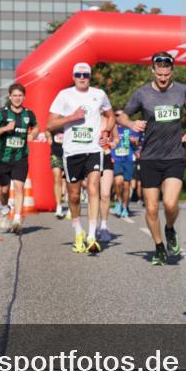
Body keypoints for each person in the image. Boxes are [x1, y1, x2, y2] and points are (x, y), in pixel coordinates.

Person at [119, 52, 186, 266]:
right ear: (153, 71)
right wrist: (130, 124)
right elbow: (123, 115)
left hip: (174, 155)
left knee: (170, 204)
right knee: (151, 208)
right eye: (159, 73)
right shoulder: (142, 94)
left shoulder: (182, 90)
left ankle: (170, 229)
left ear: (172, 71)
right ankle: (159, 247)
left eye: (166, 73)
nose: (163, 78)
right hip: (150, 157)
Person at [47, 62, 114, 254]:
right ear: (73, 76)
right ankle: (78, 231)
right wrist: (71, 117)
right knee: (74, 195)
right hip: (71, 151)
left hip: (93, 149)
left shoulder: (99, 94)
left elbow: (111, 115)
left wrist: (107, 131)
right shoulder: (64, 95)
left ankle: (92, 235)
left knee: (94, 188)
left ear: (90, 77)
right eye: (78, 75)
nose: (82, 78)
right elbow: (50, 123)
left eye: (86, 75)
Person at [0, 83, 39, 235]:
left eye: (20, 96)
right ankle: (5, 209)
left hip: (21, 156)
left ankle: (17, 219)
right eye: (14, 96)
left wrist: (33, 134)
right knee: (4, 190)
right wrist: (5, 128)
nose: (17, 98)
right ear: (10, 97)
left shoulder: (28, 114)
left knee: (18, 187)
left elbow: (36, 127)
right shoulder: (2, 113)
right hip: (3, 157)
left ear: (24, 97)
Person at [111, 120, 139, 218]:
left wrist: (134, 140)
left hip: (128, 160)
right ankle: (119, 201)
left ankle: (125, 207)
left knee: (126, 186)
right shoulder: (113, 128)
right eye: (117, 115)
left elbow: (136, 143)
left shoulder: (130, 129)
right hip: (117, 159)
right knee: (118, 182)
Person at [46, 130, 68, 219]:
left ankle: (69, 203)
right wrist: (49, 138)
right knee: (57, 177)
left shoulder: (70, 119)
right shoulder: (54, 119)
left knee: (68, 179)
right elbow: (47, 129)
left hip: (68, 153)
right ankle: (59, 207)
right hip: (56, 153)